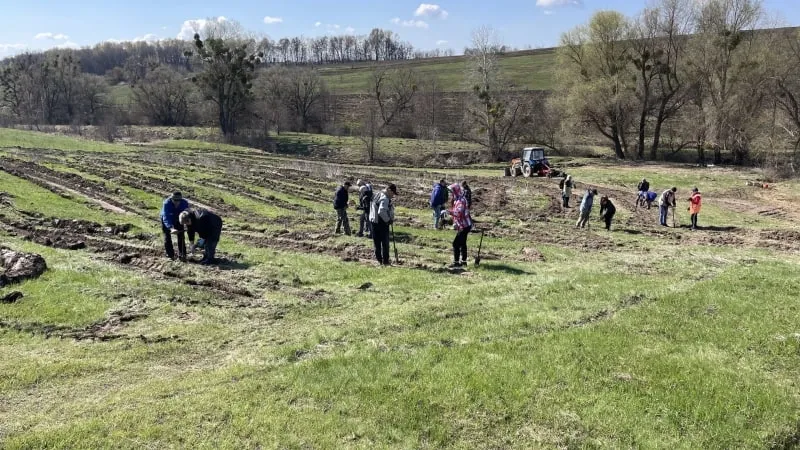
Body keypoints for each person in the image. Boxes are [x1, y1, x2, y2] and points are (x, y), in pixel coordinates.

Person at [369, 184, 398, 266]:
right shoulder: (385, 198)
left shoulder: (377, 194)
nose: (393, 195)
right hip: (381, 222)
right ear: (389, 190)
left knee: (376, 242)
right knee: (385, 243)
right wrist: (388, 220)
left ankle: (379, 260)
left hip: (373, 221)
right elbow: (381, 211)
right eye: (392, 193)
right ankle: (385, 261)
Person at [159, 191, 189, 261]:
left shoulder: (184, 203)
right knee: (167, 237)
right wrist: (171, 228)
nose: (177, 202)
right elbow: (166, 217)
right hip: (168, 219)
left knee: (181, 236)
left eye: (179, 200)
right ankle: (170, 255)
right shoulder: (167, 204)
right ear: (171, 199)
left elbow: (187, 213)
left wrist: (186, 223)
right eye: (175, 200)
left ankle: (182, 255)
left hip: (179, 219)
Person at [449, 183, 473, 268]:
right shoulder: (457, 200)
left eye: (452, 191)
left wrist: (448, 212)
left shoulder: (461, 200)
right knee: (462, 243)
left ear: (456, 191)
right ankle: (463, 261)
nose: (451, 193)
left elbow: (458, 213)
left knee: (455, 244)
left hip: (464, 226)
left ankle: (456, 263)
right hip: (464, 225)